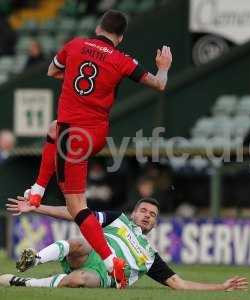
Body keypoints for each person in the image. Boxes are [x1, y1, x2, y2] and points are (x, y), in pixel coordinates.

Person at [22, 9, 173, 288]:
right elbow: (159, 84)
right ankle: (37, 190)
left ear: (98, 27)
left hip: (74, 134)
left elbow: (52, 71)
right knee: (53, 128)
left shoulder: (75, 45)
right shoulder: (122, 59)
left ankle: (108, 260)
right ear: (121, 36)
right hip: (97, 133)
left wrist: (74, 80)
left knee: (77, 206)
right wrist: (163, 66)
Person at [2, 197, 248, 291]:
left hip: (105, 275)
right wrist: (37, 207)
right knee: (79, 242)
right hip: (92, 254)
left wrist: (220, 287)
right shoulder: (117, 219)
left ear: (154, 225)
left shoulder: (149, 257)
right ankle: (35, 259)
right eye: (143, 210)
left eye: (152, 215)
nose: (147, 215)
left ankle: (23, 282)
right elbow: (76, 213)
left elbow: (179, 284)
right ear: (133, 213)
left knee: (78, 280)